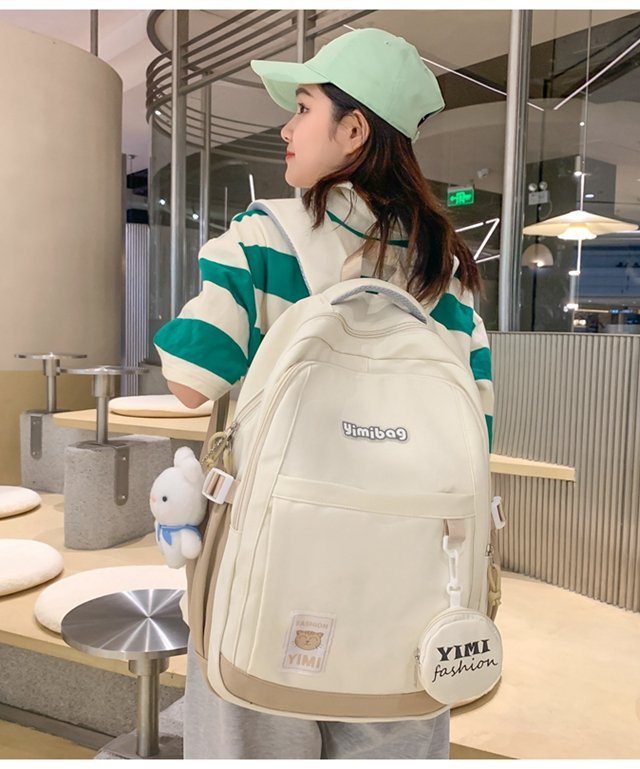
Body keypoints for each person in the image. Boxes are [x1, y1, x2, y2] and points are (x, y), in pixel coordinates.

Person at [154, 26, 494, 760]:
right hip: (408, 598)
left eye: (303, 108)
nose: (286, 128)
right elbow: (477, 439)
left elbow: (187, 380)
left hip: (271, 581)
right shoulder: (449, 274)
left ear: (353, 130)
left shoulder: (263, 238)